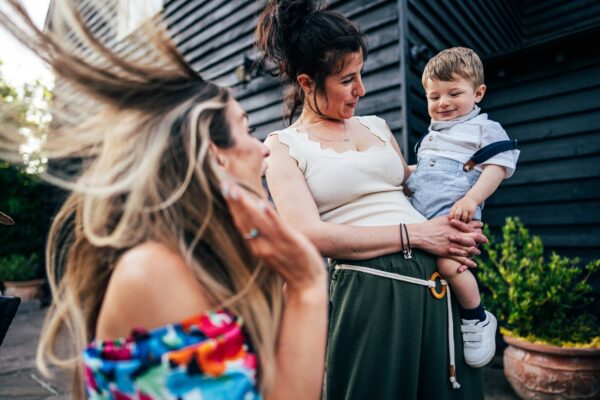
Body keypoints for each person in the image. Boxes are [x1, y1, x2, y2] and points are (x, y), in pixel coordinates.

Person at [0, 1, 327, 399]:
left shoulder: (205, 259)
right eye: (247, 129)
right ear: (212, 154)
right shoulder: (154, 272)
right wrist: (308, 285)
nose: (264, 149)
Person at [256, 1, 487, 398]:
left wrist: (465, 198)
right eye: (347, 80)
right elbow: (307, 234)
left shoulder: (377, 127)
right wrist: (417, 235)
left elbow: (411, 183)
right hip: (374, 291)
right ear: (308, 82)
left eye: (360, 74)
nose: (360, 90)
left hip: (441, 280)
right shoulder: (282, 147)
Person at [406, 47, 520, 368]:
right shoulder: (430, 137)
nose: (443, 103)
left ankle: (476, 317)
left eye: (454, 93)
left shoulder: (483, 128)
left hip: (455, 216)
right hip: (421, 218)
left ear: (478, 92)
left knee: (448, 264)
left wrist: (472, 200)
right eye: (434, 97)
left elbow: (497, 166)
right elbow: (426, 172)